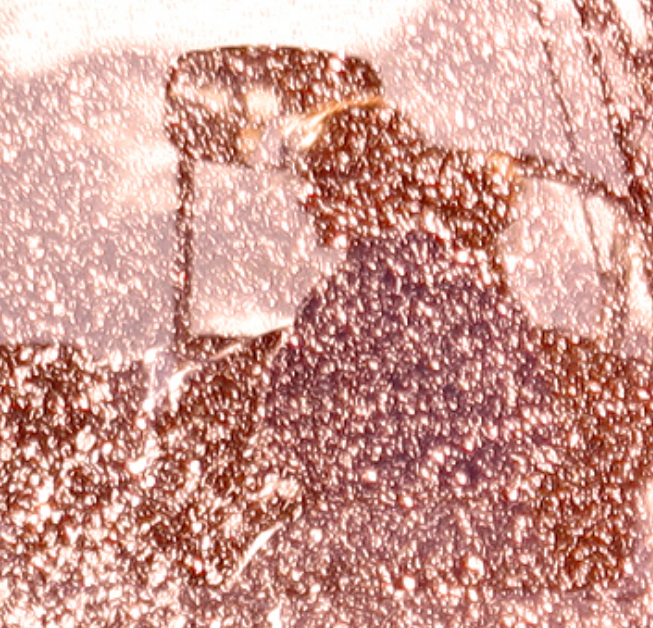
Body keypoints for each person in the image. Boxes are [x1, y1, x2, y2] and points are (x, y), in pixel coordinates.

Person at [243, 97, 577, 587]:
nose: (307, 201)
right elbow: (539, 436)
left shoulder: (339, 306)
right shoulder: (483, 294)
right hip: (497, 553)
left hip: (363, 549)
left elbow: (286, 439)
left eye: (320, 184)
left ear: (366, 190)